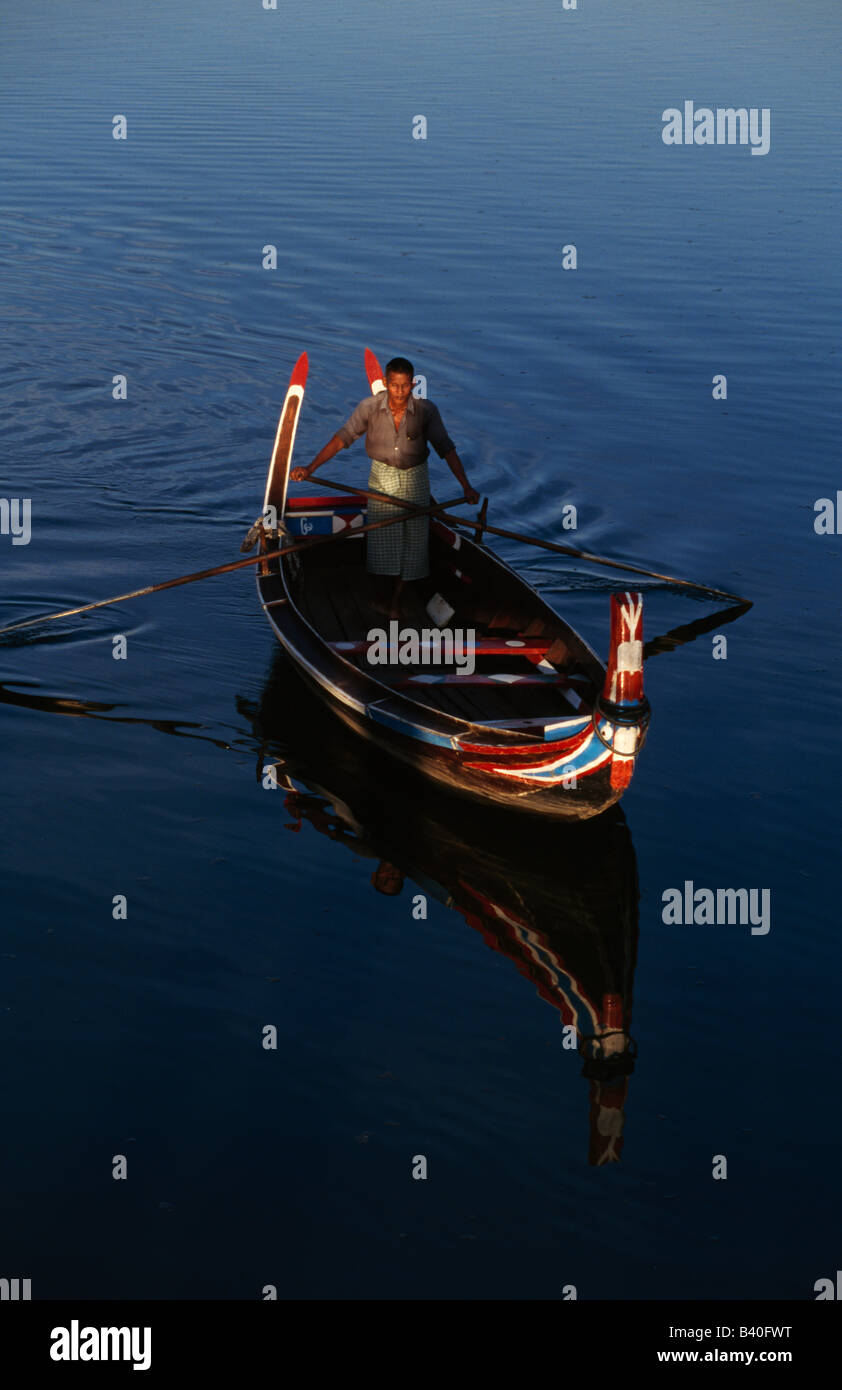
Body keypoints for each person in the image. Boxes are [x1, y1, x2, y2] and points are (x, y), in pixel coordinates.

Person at [291, 357, 478, 616]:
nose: (399, 392)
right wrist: (310, 468)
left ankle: (395, 603)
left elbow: (446, 449)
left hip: (416, 478)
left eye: (404, 386)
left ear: (412, 385)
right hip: (383, 477)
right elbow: (342, 438)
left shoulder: (427, 411)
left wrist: (466, 487)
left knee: (413, 544)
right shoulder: (369, 407)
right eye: (394, 386)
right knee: (383, 541)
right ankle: (383, 597)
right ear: (386, 384)